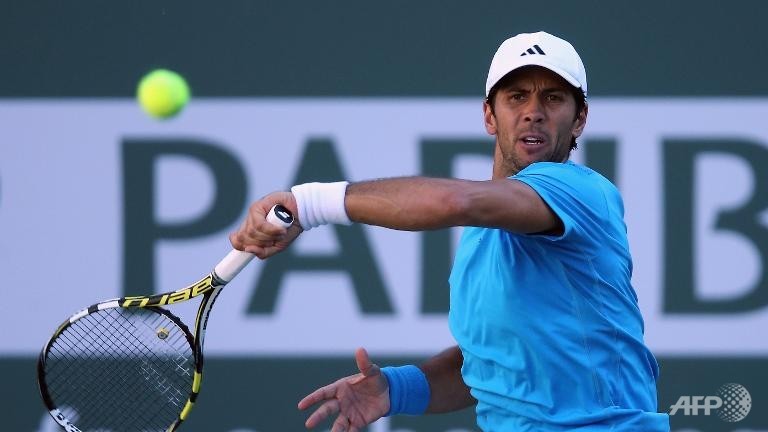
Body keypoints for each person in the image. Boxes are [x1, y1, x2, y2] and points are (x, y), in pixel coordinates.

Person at [230, 31, 670, 432]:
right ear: (489, 116)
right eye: (516, 97)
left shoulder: (579, 190)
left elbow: (453, 201)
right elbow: (494, 364)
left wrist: (309, 203)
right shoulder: (481, 242)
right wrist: (395, 390)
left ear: (579, 120)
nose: (533, 112)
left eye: (553, 98)